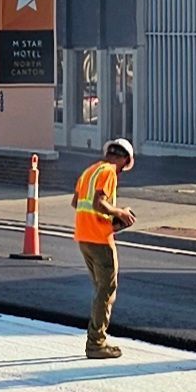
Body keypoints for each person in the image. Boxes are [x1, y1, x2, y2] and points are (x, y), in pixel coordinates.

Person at [73, 137, 136, 359]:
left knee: (100, 290)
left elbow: (76, 203)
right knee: (106, 291)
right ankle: (96, 342)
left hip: (84, 237)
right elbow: (98, 203)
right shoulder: (109, 171)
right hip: (100, 240)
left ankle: (97, 337)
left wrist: (111, 220)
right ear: (125, 160)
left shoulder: (89, 171)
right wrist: (120, 213)